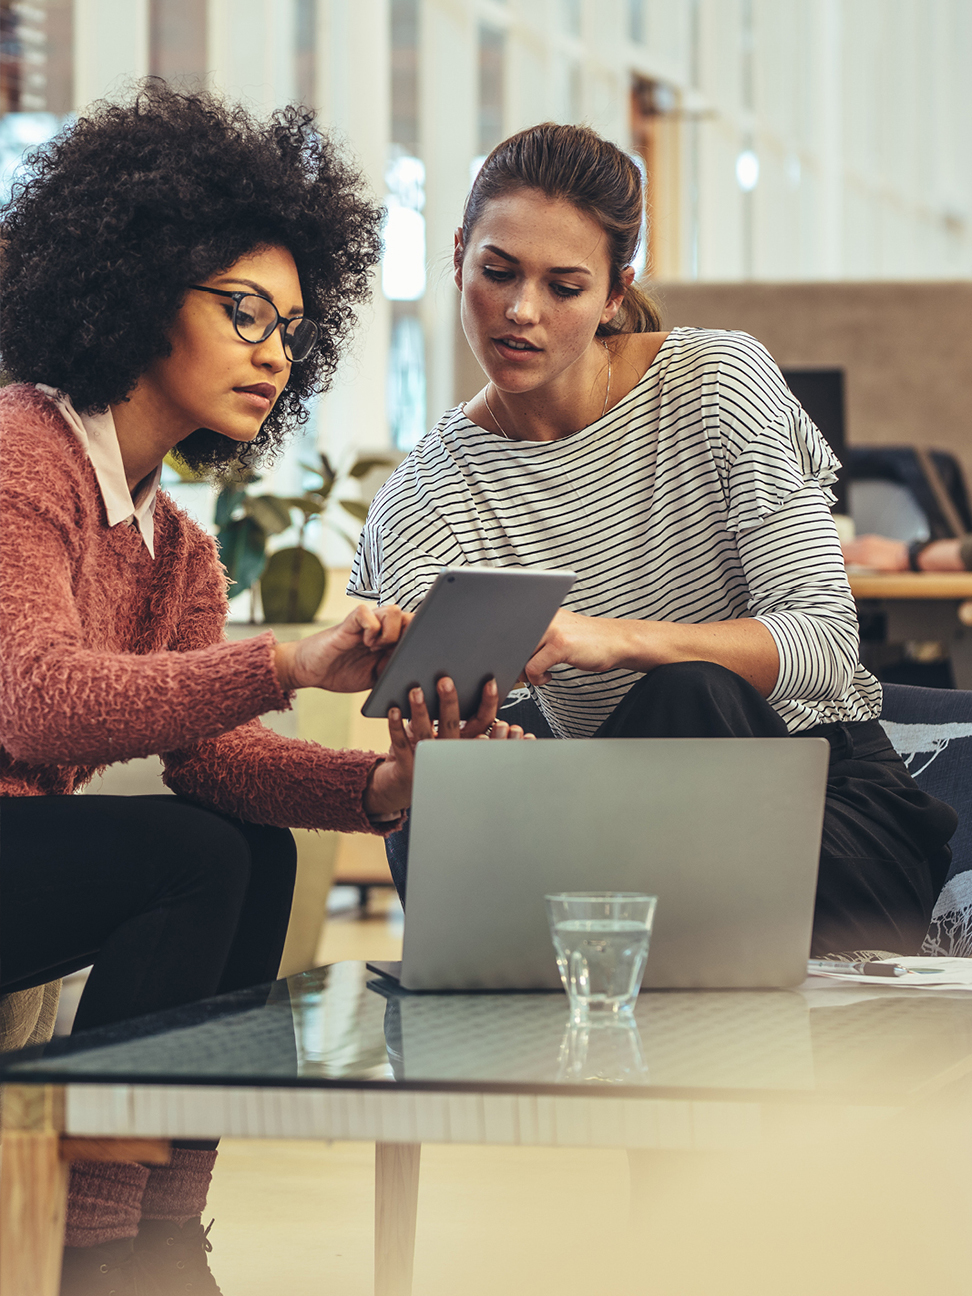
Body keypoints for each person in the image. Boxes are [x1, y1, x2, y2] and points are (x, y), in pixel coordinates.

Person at [0, 83, 526, 1296]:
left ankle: (164, 1228)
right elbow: (33, 702)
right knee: (193, 858)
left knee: (256, 849)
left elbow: (219, 759)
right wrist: (285, 657)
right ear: (135, 285)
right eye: (244, 310)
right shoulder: (24, 447)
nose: (273, 351)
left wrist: (386, 785)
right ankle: (98, 1250)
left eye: (291, 327)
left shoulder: (175, 545)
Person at [350, 121, 958, 964]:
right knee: (445, 819)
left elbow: (824, 640)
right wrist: (463, 744)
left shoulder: (717, 383)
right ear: (456, 255)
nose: (521, 311)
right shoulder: (423, 499)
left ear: (613, 292)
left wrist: (617, 643)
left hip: (824, 819)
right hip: (608, 836)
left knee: (690, 695)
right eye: (498, 273)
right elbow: (499, 770)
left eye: (564, 287)